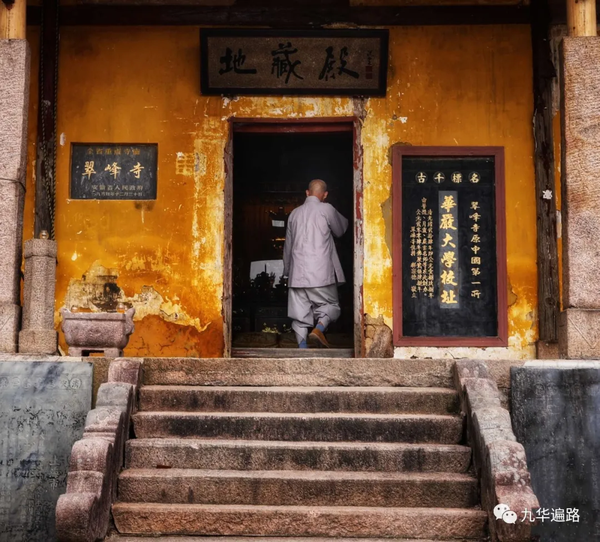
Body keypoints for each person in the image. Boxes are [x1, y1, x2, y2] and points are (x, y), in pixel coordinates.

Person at [283, 179, 349, 348]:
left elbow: (288, 246)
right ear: (325, 195)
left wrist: (288, 272)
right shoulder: (326, 209)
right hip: (321, 273)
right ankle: (318, 329)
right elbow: (341, 230)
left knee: (299, 315)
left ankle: (303, 350)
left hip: (297, 275)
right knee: (331, 305)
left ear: (307, 192)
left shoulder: (294, 213)